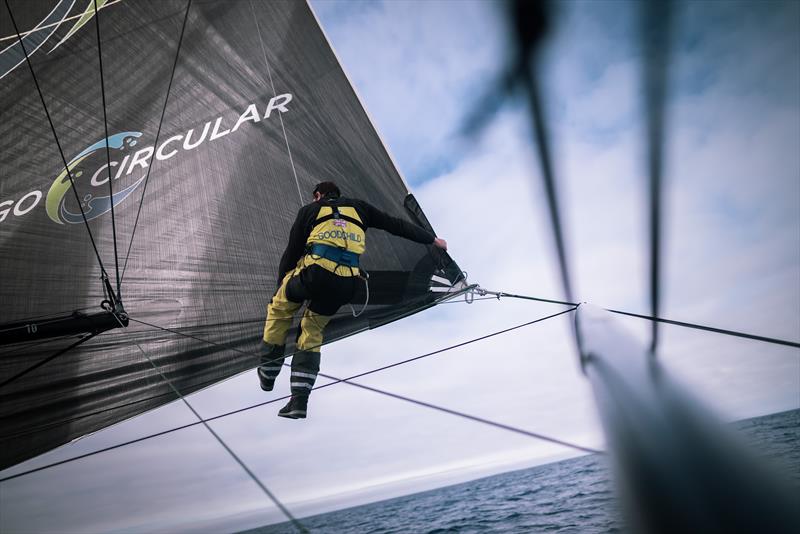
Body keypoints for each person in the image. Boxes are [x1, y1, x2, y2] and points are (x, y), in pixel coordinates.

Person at [259, 181, 448, 419]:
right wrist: (432, 239)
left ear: (318, 195)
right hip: (347, 283)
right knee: (312, 329)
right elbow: (397, 226)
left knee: (280, 308)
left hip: (316, 274)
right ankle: (299, 400)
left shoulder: (310, 210)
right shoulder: (360, 208)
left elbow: (292, 251)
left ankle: (268, 373)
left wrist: (280, 285)